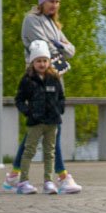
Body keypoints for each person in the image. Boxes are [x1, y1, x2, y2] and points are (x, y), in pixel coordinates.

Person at [2, 0, 83, 193]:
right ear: (42, 1)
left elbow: (71, 49)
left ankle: (13, 176)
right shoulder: (32, 20)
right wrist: (61, 50)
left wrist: (61, 48)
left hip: (54, 82)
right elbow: (43, 50)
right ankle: (62, 176)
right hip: (37, 82)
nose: (54, 5)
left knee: (38, 132)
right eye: (51, 1)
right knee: (48, 130)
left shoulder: (53, 24)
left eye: (57, 1)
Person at [12, 40, 68, 194]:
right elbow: (19, 100)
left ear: (49, 61)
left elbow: (61, 97)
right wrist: (28, 112)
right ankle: (23, 181)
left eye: (44, 60)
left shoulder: (54, 78)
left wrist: (59, 109)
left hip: (52, 121)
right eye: (38, 61)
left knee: (50, 152)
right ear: (32, 63)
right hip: (35, 122)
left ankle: (48, 182)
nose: (42, 64)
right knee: (29, 151)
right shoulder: (27, 80)